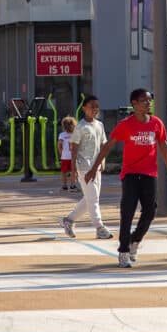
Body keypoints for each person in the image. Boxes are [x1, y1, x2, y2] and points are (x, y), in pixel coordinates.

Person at [83, 88, 167, 268]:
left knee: (150, 212)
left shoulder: (156, 123)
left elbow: (163, 145)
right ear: (134, 104)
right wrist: (94, 168)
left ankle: (135, 240)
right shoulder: (126, 125)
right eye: (144, 101)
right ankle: (124, 251)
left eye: (149, 100)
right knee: (127, 212)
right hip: (131, 174)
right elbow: (108, 146)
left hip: (150, 174)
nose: (148, 104)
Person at [61, 95, 113, 240]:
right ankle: (99, 227)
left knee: (90, 198)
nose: (95, 109)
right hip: (84, 167)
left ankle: (69, 220)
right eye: (92, 106)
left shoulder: (100, 125)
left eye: (97, 106)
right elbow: (74, 149)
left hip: (96, 166)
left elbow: (103, 144)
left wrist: (102, 162)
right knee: (93, 199)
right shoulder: (81, 127)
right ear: (84, 108)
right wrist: (73, 170)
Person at [59, 116, 77, 191]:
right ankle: (73, 186)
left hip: (65, 156)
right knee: (73, 171)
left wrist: (61, 154)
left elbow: (59, 145)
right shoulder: (75, 134)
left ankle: (64, 186)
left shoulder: (62, 135)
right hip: (73, 156)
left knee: (64, 172)